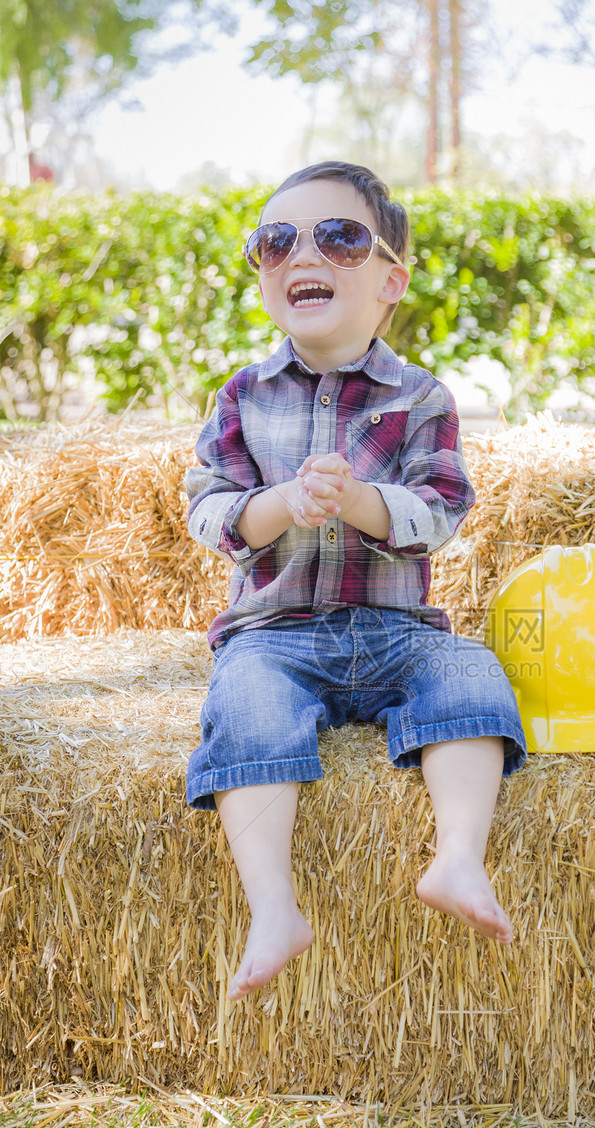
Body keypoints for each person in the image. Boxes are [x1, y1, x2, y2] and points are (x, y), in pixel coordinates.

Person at [186, 161, 526, 1001]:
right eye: (277, 241)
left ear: (389, 282)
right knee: (247, 713)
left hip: (395, 631)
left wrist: (368, 502)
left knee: (472, 678)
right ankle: (273, 909)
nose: (304, 252)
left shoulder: (420, 399)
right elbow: (210, 513)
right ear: (264, 272)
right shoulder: (241, 397)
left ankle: (456, 861)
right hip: (274, 635)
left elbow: (443, 508)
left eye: (338, 236)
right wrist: (281, 506)